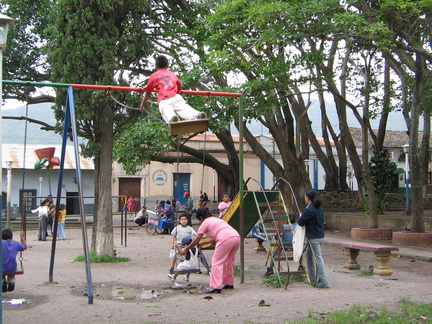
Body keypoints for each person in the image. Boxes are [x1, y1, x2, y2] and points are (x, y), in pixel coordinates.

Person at [182, 208, 240, 293]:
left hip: (225, 238)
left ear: (201, 217)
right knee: (229, 261)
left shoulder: (205, 223)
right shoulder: (217, 220)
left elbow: (196, 240)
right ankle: (229, 283)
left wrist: (186, 248)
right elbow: (215, 237)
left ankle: (216, 286)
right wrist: (203, 242)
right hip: (236, 237)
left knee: (216, 261)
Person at [140, 55, 207, 124]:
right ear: (167, 65)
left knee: (166, 109)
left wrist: (142, 106)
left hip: (164, 99)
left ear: (156, 66)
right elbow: (179, 90)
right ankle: (197, 115)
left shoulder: (154, 76)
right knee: (184, 109)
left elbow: (148, 92)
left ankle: (172, 119)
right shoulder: (172, 74)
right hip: (176, 97)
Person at [297, 189, 330, 289]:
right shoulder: (319, 208)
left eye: (305, 197)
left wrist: (300, 216)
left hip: (313, 237)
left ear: (308, 198)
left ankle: (324, 281)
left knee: (318, 258)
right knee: (309, 257)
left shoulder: (309, 209)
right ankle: (312, 279)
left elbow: (300, 222)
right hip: (319, 235)